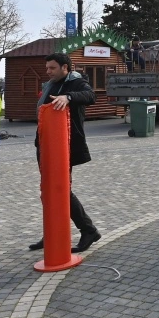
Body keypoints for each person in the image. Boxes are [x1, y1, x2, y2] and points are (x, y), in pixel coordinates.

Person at [28, 53, 101, 254]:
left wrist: (68, 97)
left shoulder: (76, 82)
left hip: (63, 145)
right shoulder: (50, 84)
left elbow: (90, 96)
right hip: (44, 143)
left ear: (65, 68)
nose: (48, 71)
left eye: (52, 68)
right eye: (47, 67)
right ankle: (51, 232)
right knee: (47, 190)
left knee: (60, 189)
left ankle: (88, 230)